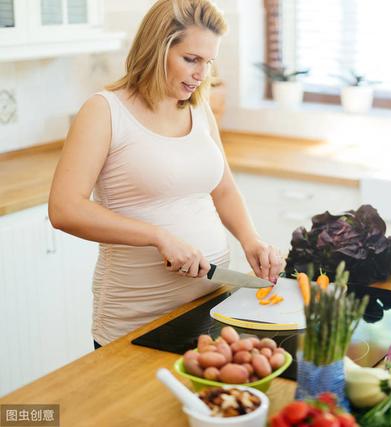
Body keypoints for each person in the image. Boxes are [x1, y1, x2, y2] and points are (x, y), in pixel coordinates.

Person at [48, 0, 283, 349]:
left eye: (208, 62)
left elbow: (223, 188)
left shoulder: (199, 108)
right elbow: (65, 209)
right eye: (191, 59)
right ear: (158, 48)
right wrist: (158, 236)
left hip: (210, 308)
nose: (201, 75)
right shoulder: (104, 111)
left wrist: (251, 239)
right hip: (137, 321)